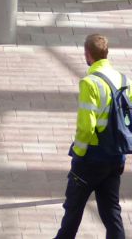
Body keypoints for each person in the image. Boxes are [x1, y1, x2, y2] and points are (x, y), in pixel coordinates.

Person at [55, 33, 128, 239]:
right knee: (111, 212)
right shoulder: (125, 80)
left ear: (88, 55)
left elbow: (86, 127)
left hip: (91, 159)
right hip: (116, 157)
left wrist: (78, 153)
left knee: (73, 211)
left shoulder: (90, 83)